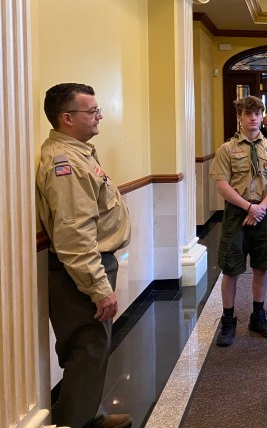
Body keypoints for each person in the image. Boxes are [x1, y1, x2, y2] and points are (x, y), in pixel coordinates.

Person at [36, 83, 132, 428]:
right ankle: (76, 422)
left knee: (93, 348)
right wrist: (98, 288)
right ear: (67, 118)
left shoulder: (78, 153)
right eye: (92, 111)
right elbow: (74, 235)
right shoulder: (65, 163)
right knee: (87, 349)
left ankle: (88, 416)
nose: (99, 117)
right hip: (80, 273)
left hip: (90, 266)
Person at [209, 96, 267, 346]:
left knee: (261, 266)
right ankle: (228, 319)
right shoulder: (227, 149)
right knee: (231, 268)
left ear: (262, 116)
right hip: (237, 213)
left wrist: (261, 208)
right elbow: (222, 185)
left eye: (257, 113)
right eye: (247, 114)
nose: (253, 118)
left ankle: (258, 316)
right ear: (239, 117)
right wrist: (248, 207)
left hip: (263, 213)